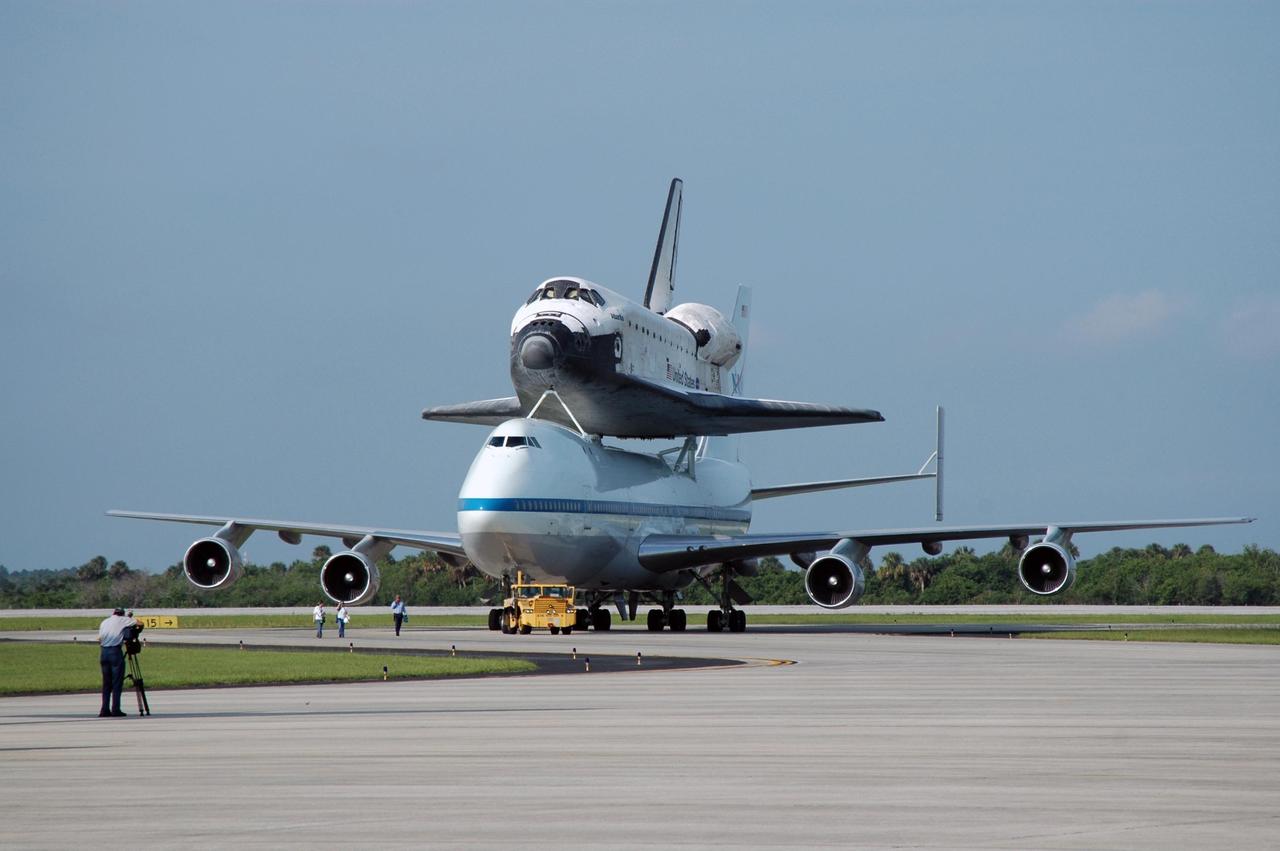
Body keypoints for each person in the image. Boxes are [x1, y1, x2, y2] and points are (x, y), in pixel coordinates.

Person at [98, 607, 138, 717]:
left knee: (106, 683)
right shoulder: (123, 620)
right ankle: (116, 709)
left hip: (103, 652)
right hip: (115, 652)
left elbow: (100, 638)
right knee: (116, 682)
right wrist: (129, 619)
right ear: (122, 614)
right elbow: (140, 623)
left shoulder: (105, 621)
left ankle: (104, 709)